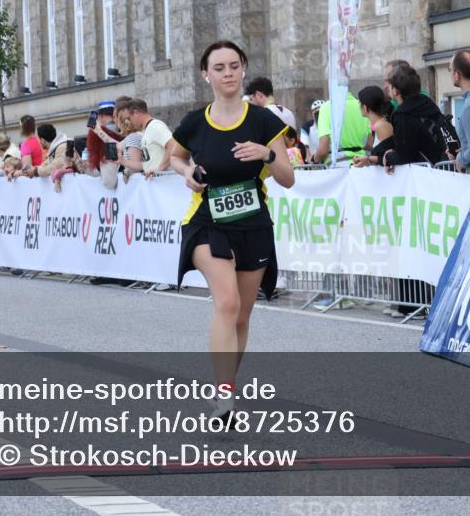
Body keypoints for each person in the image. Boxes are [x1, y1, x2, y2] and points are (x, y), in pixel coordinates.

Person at [169, 40, 294, 420]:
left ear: (243, 70)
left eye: (234, 66)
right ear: (206, 74)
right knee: (226, 303)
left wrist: (267, 154)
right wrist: (187, 172)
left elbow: (287, 179)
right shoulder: (194, 121)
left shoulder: (264, 121)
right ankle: (225, 398)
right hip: (207, 222)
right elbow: (172, 156)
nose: (228, 73)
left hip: (253, 224)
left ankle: (226, 387)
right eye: (219, 67)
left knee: (241, 317)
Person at [381, 62, 447, 169]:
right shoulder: (427, 103)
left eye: (389, 84)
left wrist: (388, 157)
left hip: (425, 173)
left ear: (396, 90)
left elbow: (404, 155)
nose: (386, 87)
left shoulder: (402, 115)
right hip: (442, 166)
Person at [311, 92, 370, 165]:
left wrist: (314, 159)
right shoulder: (361, 106)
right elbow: (370, 144)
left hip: (337, 166)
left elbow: (323, 150)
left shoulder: (326, 107)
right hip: (361, 164)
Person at [126, 99, 173, 179]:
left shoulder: (155, 126)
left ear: (136, 113)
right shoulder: (147, 130)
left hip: (165, 184)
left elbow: (173, 145)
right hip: (157, 185)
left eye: (129, 118)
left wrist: (160, 169)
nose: (130, 122)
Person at [351, 85, 394, 167]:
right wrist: (367, 159)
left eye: (359, 103)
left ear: (365, 107)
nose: (358, 106)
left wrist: (368, 158)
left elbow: (390, 157)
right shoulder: (378, 124)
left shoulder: (380, 125)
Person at [86, 100, 124, 189]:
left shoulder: (96, 132)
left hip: (108, 175)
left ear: (101, 116)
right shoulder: (125, 130)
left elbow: (93, 157)